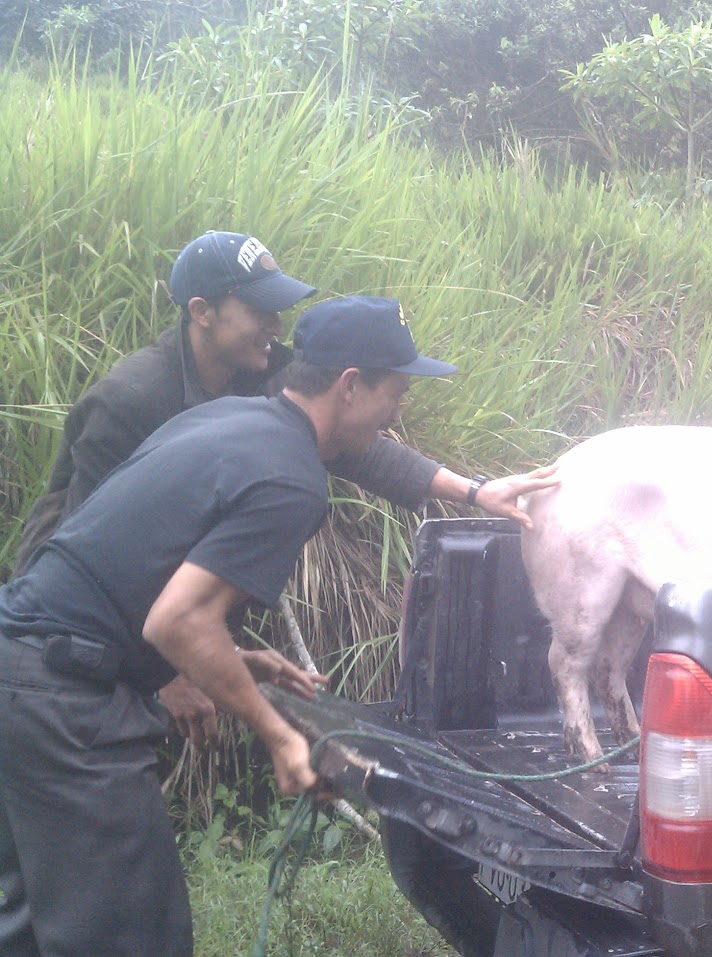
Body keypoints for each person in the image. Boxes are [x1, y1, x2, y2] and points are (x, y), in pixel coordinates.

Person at [0, 294, 542, 957]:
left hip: (20, 673)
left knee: (29, 926)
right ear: (350, 386)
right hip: (70, 710)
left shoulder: (232, 418)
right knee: (130, 939)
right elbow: (178, 620)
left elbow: (133, 580)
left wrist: (236, 658)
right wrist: (280, 735)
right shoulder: (291, 479)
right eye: (395, 395)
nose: (397, 414)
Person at [11, 230, 550, 746]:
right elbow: (92, 541)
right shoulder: (131, 400)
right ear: (202, 312)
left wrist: (475, 492)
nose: (276, 324)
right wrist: (170, 672)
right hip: (69, 646)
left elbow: (356, 443)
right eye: (259, 310)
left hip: (158, 627)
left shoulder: (265, 373)